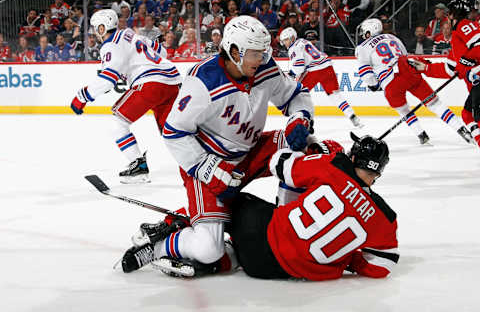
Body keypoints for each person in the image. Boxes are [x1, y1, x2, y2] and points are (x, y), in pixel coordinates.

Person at [120, 15, 315, 276]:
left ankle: (286, 229)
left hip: (251, 151)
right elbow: (174, 132)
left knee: (309, 147)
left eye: (263, 52)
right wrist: (210, 169)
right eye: (255, 53)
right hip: (209, 162)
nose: (262, 58)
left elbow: (296, 95)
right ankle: (160, 246)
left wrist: (300, 117)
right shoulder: (203, 81)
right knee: (209, 249)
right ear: (234, 51)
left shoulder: (264, 68)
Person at [230, 133, 399, 280]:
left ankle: (214, 248)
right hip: (279, 271)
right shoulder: (386, 218)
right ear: (378, 173)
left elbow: (278, 164)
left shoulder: (335, 165)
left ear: (353, 158)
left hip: (258, 238)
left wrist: (306, 152)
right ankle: (228, 258)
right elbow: (385, 264)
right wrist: (344, 257)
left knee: (232, 198)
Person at [69, 9, 182, 183]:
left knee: (118, 120)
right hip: (173, 80)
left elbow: (108, 80)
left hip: (150, 83)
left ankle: (138, 166)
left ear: (102, 28)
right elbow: (163, 53)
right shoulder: (129, 34)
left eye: (95, 28)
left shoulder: (110, 45)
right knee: (174, 132)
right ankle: (205, 160)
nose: (93, 32)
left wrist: (82, 97)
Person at [355, 18, 473, 145]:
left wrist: (374, 85)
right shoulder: (391, 37)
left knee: (404, 110)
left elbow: (366, 74)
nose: (363, 35)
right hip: (407, 70)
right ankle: (461, 129)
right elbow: (405, 55)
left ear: (368, 32)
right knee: (434, 103)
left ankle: (421, 134)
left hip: (390, 82)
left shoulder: (362, 47)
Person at [408, 0, 480, 148]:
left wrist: (467, 61)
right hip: (474, 86)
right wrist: (426, 68)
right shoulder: (457, 39)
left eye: (449, 14)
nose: (448, 17)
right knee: (467, 115)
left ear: (454, 14)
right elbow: (450, 69)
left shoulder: (465, 25)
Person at [280, 27, 362, 128]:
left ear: (292, 38)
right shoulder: (303, 41)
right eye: (284, 41)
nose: (285, 43)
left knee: (298, 95)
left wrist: (290, 74)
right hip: (327, 67)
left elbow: (299, 68)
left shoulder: (294, 48)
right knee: (334, 95)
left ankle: (308, 121)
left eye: (286, 40)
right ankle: (352, 115)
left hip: (314, 70)